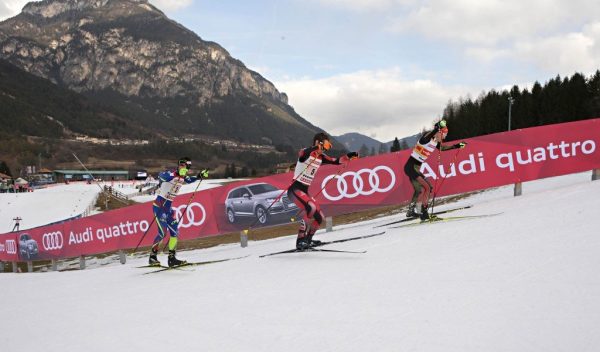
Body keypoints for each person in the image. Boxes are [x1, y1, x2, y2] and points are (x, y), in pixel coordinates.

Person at [288, 133, 358, 250]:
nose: (326, 148)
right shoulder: (306, 152)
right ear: (318, 143)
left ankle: (308, 240)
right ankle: (300, 240)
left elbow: (336, 161)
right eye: (325, 145)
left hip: (305, 191)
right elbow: (302, 155)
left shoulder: (321, 157)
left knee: (319, 216)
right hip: (295, 190)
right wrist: (316, 148)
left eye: (328, 146)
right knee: (311, 207)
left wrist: (348, 156)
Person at [149, 157, 209, 266]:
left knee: (175, 232)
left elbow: (190, 180)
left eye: (187, 167)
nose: (185, 168)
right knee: (162, 233)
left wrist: (200, 176)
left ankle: (171, 259)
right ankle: (152, 257)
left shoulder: (183, 177)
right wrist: (175, 174)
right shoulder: (170, 174)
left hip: (168, 210)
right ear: (179, 165)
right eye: (183, 166)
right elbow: (162, 176)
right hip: (159, 207)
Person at [403, 120, 466, 220]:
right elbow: (427, 136)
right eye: (444, 134)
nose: (445, 137)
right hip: (411, 167)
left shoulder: (435, 142)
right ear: (439, 133)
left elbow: (443, 149)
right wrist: (437, 128)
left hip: (414, 168)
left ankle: (417, 211)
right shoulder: (426, 139)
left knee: (421, 189)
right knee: (427, 187)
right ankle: (423, 213)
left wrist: (457, 145)